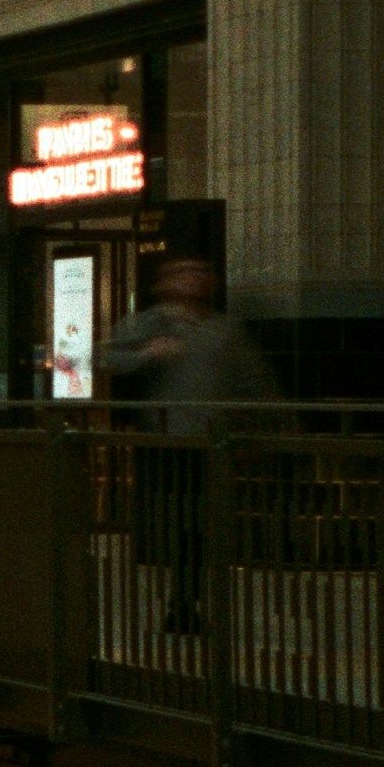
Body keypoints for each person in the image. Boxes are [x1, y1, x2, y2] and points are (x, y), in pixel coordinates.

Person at [112, 252, 277, 635]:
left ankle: (187, 598)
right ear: (165, 283)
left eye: (201, 272)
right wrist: (146, 354)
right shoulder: (149, 324)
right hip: (166, 441)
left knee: (199, 523)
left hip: (210, 442)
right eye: (185, 274)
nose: (195, 281)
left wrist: (270, 423)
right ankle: (183, 598)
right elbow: (107, 357)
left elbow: (253, 378)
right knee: (177, 521)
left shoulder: (223, 330)